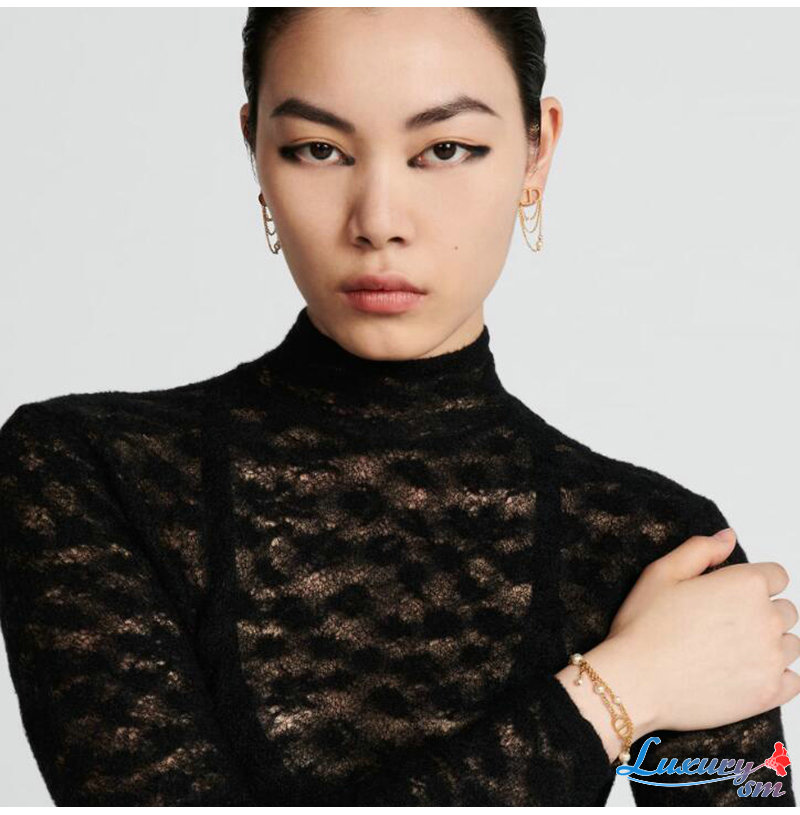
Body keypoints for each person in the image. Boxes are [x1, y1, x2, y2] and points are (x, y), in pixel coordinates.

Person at [0, 7, 796, 806]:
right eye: (319, 149)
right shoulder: (87, 470)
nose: (378, 221)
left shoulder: (662, 548)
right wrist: (618, 690)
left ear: (537, 151)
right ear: (256, 151)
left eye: (445, 149)